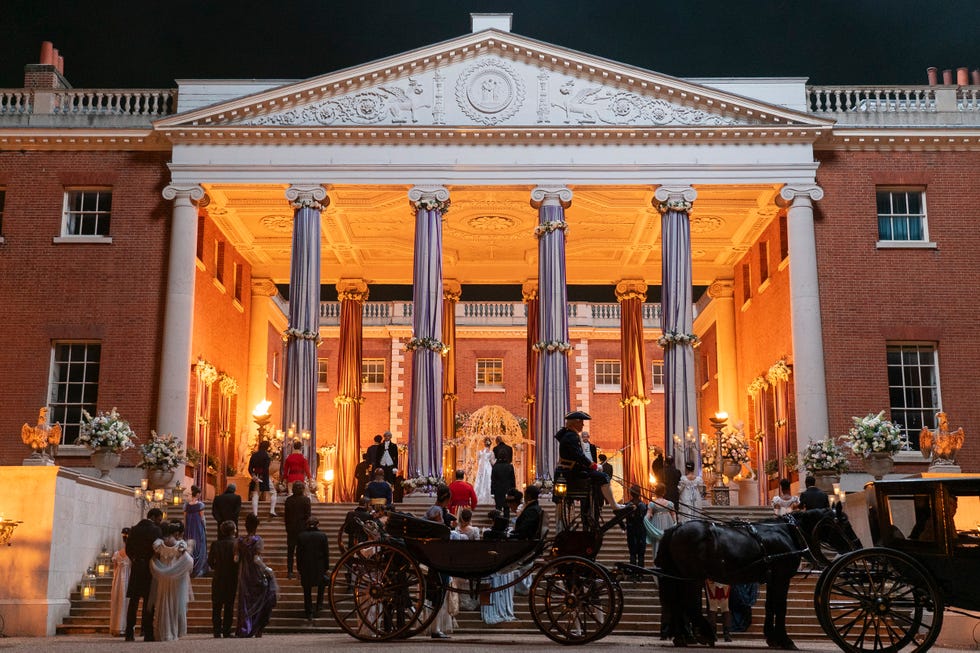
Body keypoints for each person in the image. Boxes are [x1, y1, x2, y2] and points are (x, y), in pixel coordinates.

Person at [555, 410, 627, 512]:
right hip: (575, 472)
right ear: (575, 422)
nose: (583, 424)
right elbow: (579, 456)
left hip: (572, 469)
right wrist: (594, 466)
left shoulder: (569, 435)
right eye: (581, 422)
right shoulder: (571, 436)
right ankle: (614, 505)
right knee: (604, 477)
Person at [150, 520, 194, 641]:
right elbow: (189, 561)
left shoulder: (159, 544)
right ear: (176, 533)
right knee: (175, 604)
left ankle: (162, 632)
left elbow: (154, 559)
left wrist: (161, 570)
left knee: (163, 602)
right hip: (176, 579)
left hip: (163, 579)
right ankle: (173, 632)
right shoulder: (181, 545)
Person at [124, 507, 163, 641]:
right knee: (148, 601)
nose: (160, 521)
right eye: (159, 519)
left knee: (133, 602)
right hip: (149, 568)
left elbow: (128, 549)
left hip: (136, 567)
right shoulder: (156, 530)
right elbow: (158, 550)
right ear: (153, 517)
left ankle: (129, 633)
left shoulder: (134, 529)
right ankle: (148, 633)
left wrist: (134, 559)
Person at [236, 513, 278, 638]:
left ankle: (245, 628)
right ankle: (257, 628)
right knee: (263, 599)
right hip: (256, 573)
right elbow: (256, 559)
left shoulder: (240, 540)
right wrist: (267, 569)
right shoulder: (258, 540)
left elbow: (236, 559)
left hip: (244, 574)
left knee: (245, 601)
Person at [207, 520, 239, 638]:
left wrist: (217, 567)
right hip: (231, 577)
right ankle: (226, 630)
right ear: (232, 531)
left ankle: (216, 630)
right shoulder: (236, 543)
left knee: (217, 605)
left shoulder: (216, 544)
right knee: (229, 605)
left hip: (218, 576)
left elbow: (210, 561)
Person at [296, 518, 330, 620]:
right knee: (321, 586)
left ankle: (309, 611)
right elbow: (326, 553)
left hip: (306, 566)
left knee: (307, 590)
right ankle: (319, 605)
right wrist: (326, 567)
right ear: (317, 524)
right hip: (319, 565)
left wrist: (299, 569)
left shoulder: (301, 536)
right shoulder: (322, 536)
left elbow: (298, 554)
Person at [284, 480, 312, 579]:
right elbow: (308, 516)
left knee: (290, 552)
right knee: (301, 552)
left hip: (291, 528)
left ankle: (290, 571)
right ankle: (301, 571)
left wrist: (287, 528)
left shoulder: (289, 500)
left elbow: (286, 516)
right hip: (302, 529)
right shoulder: (306, 500)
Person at [248, 440, 278, 518]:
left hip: (255, 476)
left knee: (255, 494)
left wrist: (253, 475)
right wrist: (263, 477)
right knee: (273, 492)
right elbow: (266, 468)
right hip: (264, 477)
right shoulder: (267, 456)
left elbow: (250, 468)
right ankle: (272, 510)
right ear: (267, 447)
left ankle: (255, 513)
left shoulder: (254, 455)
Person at [646, 482, 676, 559]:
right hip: (668, 521)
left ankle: (657, 559)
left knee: (657, 541)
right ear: (664, 492)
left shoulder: (652, 504)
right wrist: (675, 522)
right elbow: (673, 514)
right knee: (666, 540)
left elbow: (648, 515)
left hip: (656, 521)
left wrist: (645, 520)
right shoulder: (669, 503)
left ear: (655, 492)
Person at [109, 527, 130, 637]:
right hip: (128, 580)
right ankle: (124, 627)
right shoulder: (131, 554)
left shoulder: (117, 553)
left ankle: (115, 627)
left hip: (117, 580)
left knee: (117, 602)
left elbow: (115, 569)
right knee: (126, 603)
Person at [183, 484, 208, 578]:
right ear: (197, 494)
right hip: (198, 527)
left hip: (189, 527)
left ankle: (189, 567)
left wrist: (185, 528)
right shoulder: (200, 505)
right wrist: (204, 527)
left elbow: (184, 518)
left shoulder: (186, 505)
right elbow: (202, 518)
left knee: (189, 544)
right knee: (199, 544)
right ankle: (198, 568)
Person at [491, 436, 516, 518]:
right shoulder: (510, 467)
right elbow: (513, 479)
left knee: (498, 508)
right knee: (506, 508)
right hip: (507, 489)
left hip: (498, 490)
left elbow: (493, 480)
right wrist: (513, 490)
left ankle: (497, 523)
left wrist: (492, 491)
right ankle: (506, 523)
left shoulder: (495, 467)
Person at [625, 484, 648, 568]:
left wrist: (624, 527)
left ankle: (633, 573)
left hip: (631, 530)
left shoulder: (627, 505)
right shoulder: (643, 506)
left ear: (631, 493)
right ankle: (640, 574)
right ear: (639, 493)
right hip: (641, 530)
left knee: (632, 553)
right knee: (641, 554)